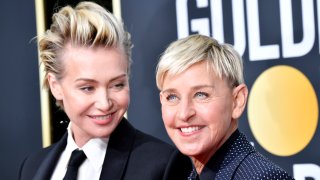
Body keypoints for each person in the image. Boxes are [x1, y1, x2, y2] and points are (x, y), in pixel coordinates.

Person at [18, 2, 192, 180]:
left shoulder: (163, 165)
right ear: (55, 86)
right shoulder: (32, 167)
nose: (105, 103)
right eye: (87, 88)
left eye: (117, 85)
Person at [156, 34, 294, 179]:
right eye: (172, 97)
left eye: (201, 95)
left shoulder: (262, 177)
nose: (184, 113)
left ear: (237, 100)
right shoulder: (192, 175)